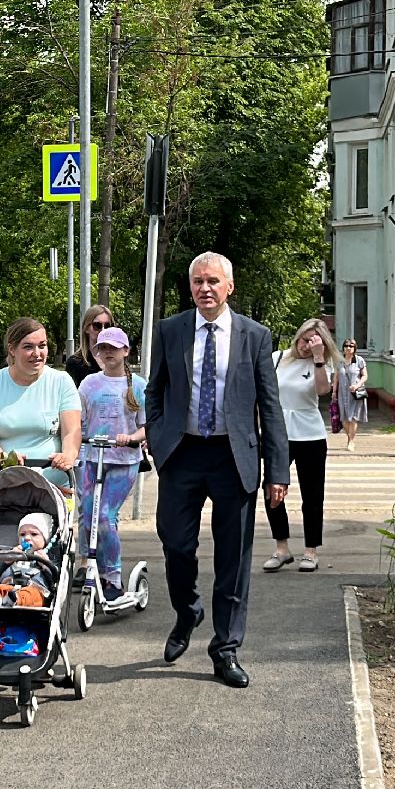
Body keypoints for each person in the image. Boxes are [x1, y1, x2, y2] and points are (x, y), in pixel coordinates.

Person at [144, 252, 289, 689]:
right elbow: (156, 390)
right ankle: (187, 610)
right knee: (175, 545)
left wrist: (278, 469)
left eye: (212, 281)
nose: (204, 289)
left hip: (234, 457)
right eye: (197, 282)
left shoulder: (254, 336)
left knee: (234, 559)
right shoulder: (170, 330)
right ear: (190, 288)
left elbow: (270, 405)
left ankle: (225, 649)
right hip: (182, 454)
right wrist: (156, 434)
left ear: (229, 287)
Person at [76, 325, 147, 603]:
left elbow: (146, 426)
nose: (107, 353)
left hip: (122, 460)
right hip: (92, 457)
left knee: (105, 517)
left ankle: (112, 577)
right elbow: (78, 420)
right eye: (102, 348)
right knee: (87, 514)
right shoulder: (90, 383)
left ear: (126, 351)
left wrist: (130, 438)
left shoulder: (137, 386)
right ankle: (92, 569)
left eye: (113, 348)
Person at [0, 318, 81, 491]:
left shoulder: (61, 381)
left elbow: (72, 431)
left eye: (42, 346)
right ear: (12, 349)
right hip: (6, 481)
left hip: (52, 484)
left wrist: (68, 455)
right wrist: (4, 459)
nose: (37, 353)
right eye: (28, 347)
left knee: (36, 519)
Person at [263, 319, 334, 575]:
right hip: (279, 432)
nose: (306, 346)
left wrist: (318, 358)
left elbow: (323, 390)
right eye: (305, 339)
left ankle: (310, 550)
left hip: (310, 433)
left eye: (314, 341)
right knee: (272, 489)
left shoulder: (323, 364)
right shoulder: (278, 358)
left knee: (312, 494)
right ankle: (281, 547)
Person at [0, 512, 56, 608]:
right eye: (22, 534)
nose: (27, 538)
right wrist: (8, 558)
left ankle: (14, 599)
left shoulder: (48, 556)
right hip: (9, 587)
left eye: (34, 534)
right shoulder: (14, 552)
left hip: (34, 590)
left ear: (45, 539)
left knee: (31, 595)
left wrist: (46, 564)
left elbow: (55, 578)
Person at [63, 304, 116, 386]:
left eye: (107, 326)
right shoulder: (75, 363)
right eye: (97, 325)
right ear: (86, 328)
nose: (103, 330)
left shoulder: (119, 358)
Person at [338, 338, 369, 451]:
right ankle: (349, 437)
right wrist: (333, 393)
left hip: (355, 393)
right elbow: (336, 377)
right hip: (342, 393)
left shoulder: (359, 360)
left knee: (353, 418)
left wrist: (357, 385)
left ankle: (351, 441)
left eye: (351, 346)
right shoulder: (339, 361)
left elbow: (365, 375)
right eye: (346, 346)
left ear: (355, 348)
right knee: (344, 419)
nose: (348, 348)